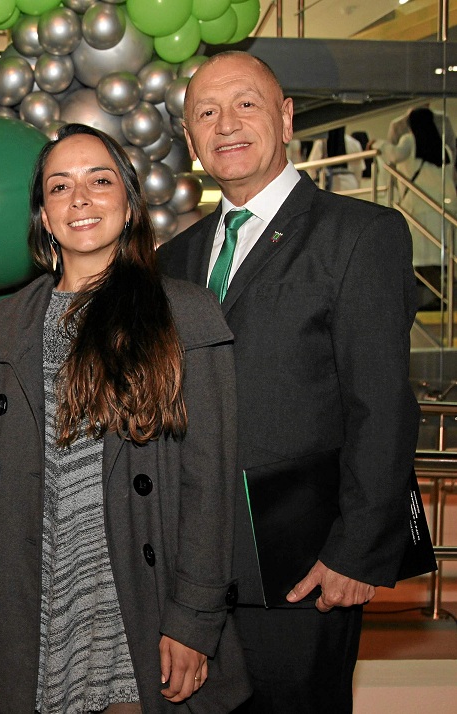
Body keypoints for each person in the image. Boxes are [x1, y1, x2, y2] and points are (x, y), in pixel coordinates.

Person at [0, 122, 251, 714]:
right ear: (44, 216)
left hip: (136, 597)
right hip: (30, 594)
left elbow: (210, 485)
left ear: (130, 203)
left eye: (100, 181)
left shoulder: (183, 316)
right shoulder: (10, 323)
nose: (81, 199)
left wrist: (194, 618)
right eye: (60, 186)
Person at [158, 51, 423, 713]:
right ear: (189, 138)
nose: (226, 124)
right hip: (191, 575)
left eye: (245, 104)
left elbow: (382, 406)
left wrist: (358, 552)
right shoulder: (174, 259)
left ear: (285, 117)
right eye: (206, 113)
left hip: (306, 571)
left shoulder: (360, 235)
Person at [374, 106, 457, 311]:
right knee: (439, 257)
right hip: (442, 208)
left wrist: (377, 144)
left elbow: (393, 155)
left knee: (419, 257)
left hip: (419, 209)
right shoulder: (444, 148)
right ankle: (442, 298)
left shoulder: (410, 141)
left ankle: (440, 299)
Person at [306, 127, 364, 192]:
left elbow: (312, 167)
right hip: (351, 182)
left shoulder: (322, 142)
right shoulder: (354, 143)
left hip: (330, 182)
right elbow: (358, 170)